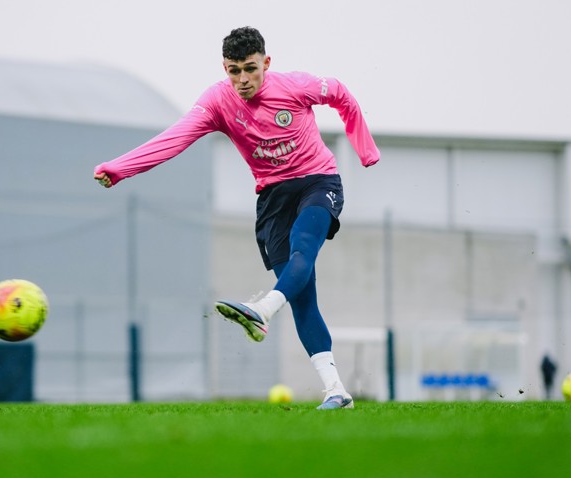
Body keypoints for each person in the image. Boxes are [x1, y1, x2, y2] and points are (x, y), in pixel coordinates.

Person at [93, 27, 380, 409]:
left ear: (266, 63)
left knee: (303, 248)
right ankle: (337, 391)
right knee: (302, 298)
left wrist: (365, 149)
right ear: (224, 68)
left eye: (250, 69)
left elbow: (340, 93)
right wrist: (119, 168)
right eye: (234, 71)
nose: (243, 79)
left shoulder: (296, 86)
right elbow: (175, 138)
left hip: (318, 181)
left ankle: (261, 310)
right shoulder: (217, 102)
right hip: (273, 198)